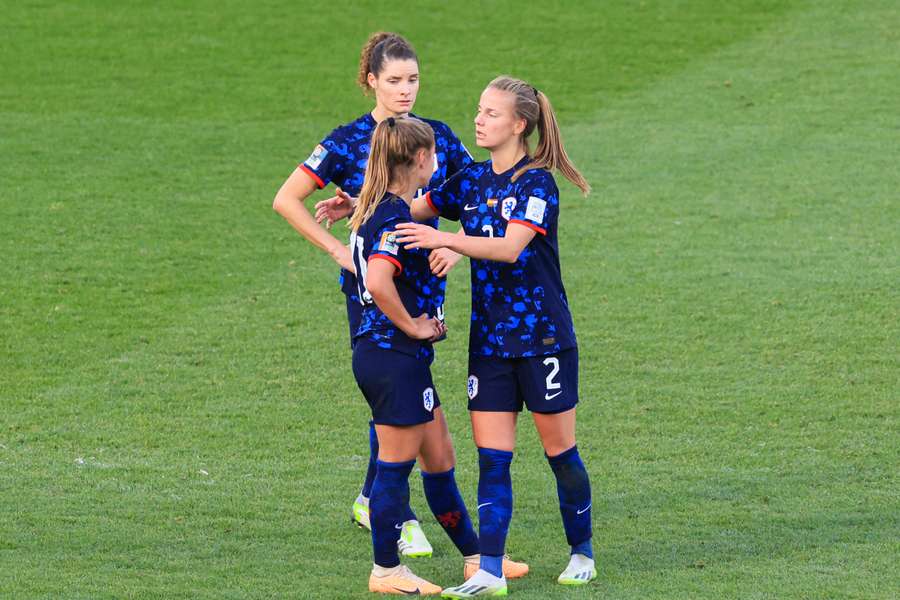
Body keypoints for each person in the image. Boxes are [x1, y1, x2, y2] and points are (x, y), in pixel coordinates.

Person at [394, 76, 596, 597]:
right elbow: (409, 207)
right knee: (493, 460)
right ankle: (489, 570)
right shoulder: (472, 180)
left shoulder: (537, 185)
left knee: (561, 455)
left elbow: (509, 249)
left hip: (545, 342)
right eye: (478, 110)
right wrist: (359, 207)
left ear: (519, 124)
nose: (479, 120)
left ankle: (582, 551)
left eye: (490, 113)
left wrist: (447, 239)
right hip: (489, 346)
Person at [272, 31, 472, 556]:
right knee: (395, 391)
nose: (406, 91)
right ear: (370, 82)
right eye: (394, 81)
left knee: (405, 390)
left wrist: (457, 245)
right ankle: (395, 514)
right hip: (378, 293)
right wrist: (341, 253)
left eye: (413, 79)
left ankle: (373, 496)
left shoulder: (436, 137)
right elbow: (286, 199)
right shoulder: (346, 142)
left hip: (425, 283)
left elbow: (477, 197)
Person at [350, 115, 484, 595]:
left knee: (440, 457)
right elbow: (380, 281)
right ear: (421, 159)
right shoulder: (392, 217)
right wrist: (413, 324)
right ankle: (386, 569)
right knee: (395, 467)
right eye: (433, 155)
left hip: (399, 358)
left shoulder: (386, 208)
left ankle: (478, 558)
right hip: (392, 356)